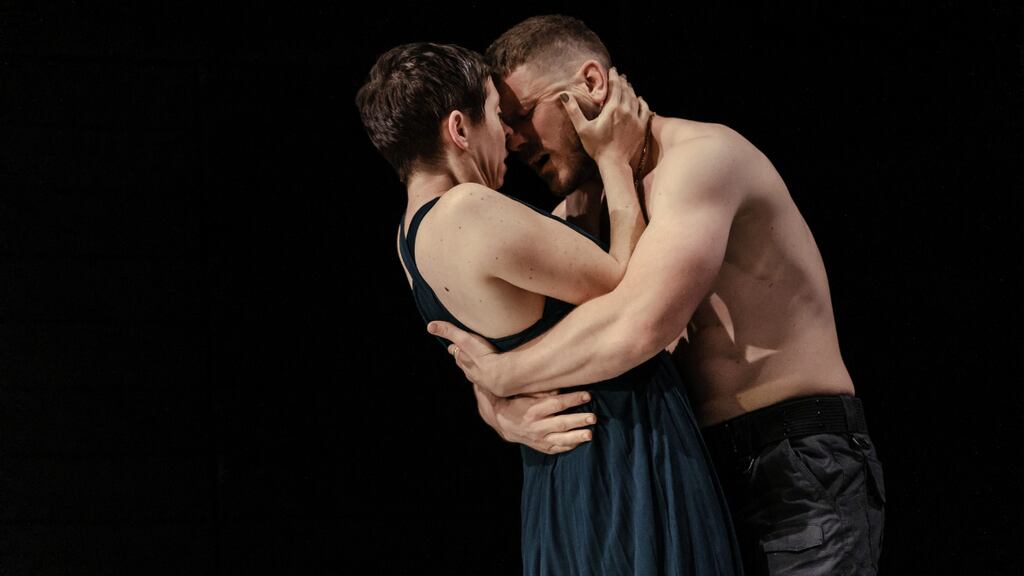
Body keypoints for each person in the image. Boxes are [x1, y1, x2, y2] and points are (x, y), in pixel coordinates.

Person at [429, 14, 886, 576]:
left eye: (523, 115)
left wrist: (506, 378)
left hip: (795, 458)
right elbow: (510, 342)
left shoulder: (701, 160)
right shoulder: (583, 212)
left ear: (592, 84)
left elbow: (640, 327)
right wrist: (498, 408)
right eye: (506, 122)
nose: (516, 140)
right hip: (693, 461)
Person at [356, 42, 742, 574]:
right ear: (458, 130)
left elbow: (502, 343)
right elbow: (624, 287)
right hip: (620, 450)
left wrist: (495, 393)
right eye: (496, 115)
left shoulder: (406, 240)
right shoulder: (470, 208)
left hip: (557, 473)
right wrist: (612, 162)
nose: (510, 140)